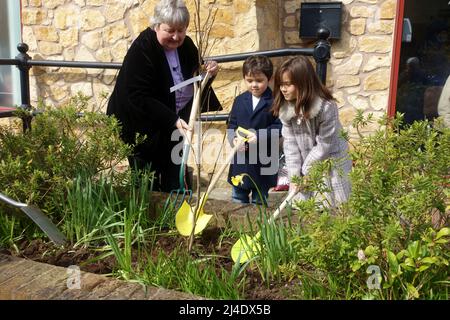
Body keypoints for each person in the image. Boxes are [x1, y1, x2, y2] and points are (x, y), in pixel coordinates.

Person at [107, 0, 221, 192]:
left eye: (181, 30)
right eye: (170, 30)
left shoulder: (187, 46)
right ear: (156, 25)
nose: (176, 36)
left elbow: (196, 79)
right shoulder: (142, 49)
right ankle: (146, 216)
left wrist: (210, 73)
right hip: (142, 125)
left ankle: (173, 212)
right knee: (146, 179)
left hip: (175, 123)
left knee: (174, 174)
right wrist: (172, 119)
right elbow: (138, 96)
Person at [271, 56, 351, 207]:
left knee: (330, 207)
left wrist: (306, 171)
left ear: (303, 83)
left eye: (287, 84)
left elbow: (324, 145)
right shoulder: (286, 108)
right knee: (303, 207)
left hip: (330, 161)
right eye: (281, 84)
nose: (283, 89)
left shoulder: (326, 107)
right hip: (304, 163)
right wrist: (295, 178)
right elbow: (290, 146)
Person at [227, 55, 281, 205]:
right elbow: (231, 125)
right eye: (249, 81)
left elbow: (279, 127)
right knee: (238, 198)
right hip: (241, 160)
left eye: (259, 81)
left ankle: (257, 227)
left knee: (259, 202)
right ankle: (237, 228)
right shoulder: (239, 100)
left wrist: (260, 136)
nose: (254, 85)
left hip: (263, 162)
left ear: (269, 79)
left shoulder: (275, 100)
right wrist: (234, 140)